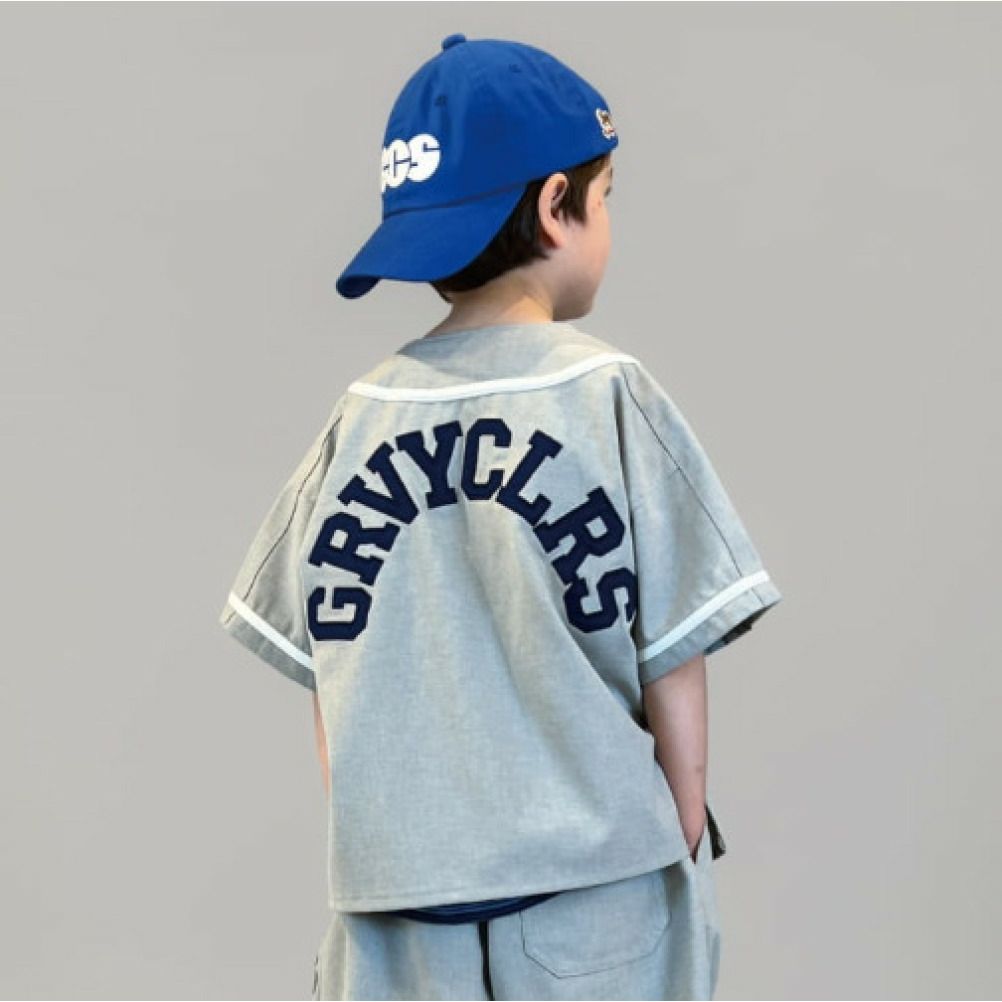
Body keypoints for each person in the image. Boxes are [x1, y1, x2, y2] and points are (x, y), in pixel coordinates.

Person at [218, 32, 782, 1001]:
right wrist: (683, 828)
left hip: (395, 909)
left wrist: (389, 841)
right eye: (605, 196)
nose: (607, 220)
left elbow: (327, 667)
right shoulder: (610, 394)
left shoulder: (359, 416)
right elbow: (672, 653)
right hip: (599, 889)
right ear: (558, 205)